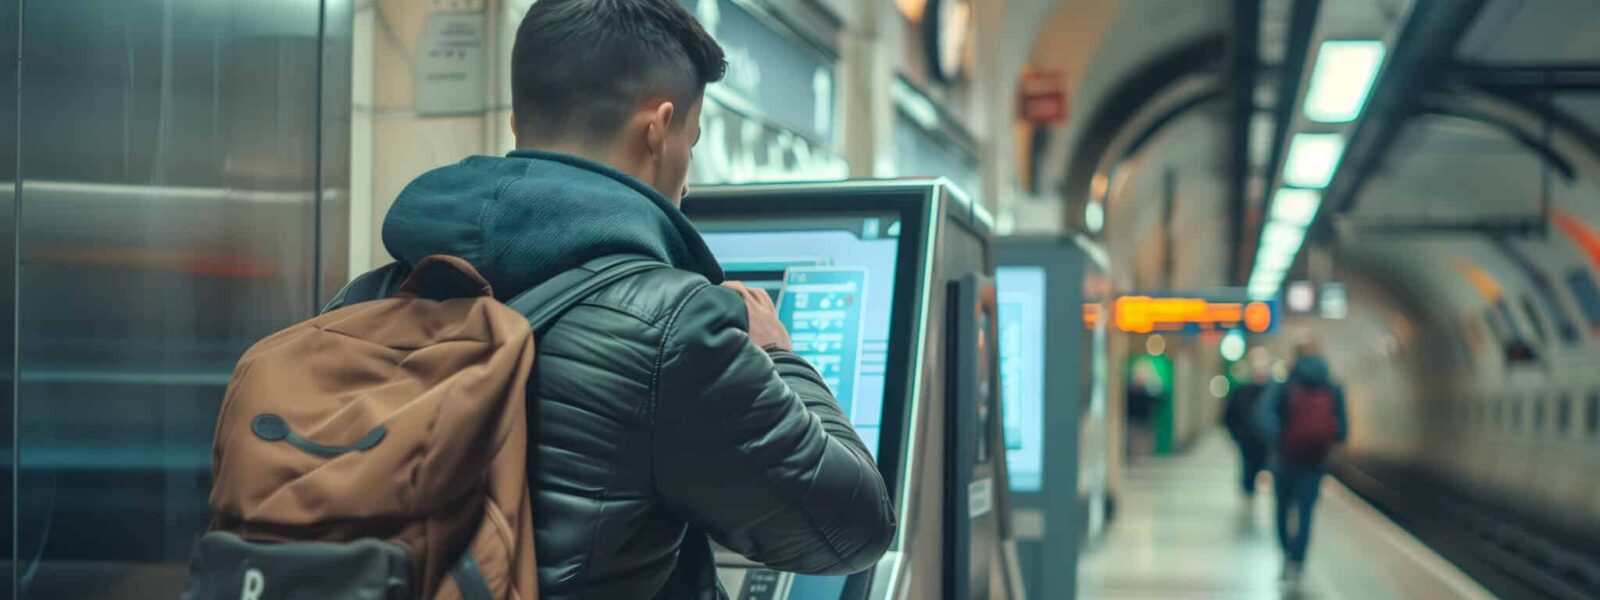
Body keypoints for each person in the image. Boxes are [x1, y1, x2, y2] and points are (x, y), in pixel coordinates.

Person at [373, 1, 895, 596]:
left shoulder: (374, 295)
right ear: (658, 128)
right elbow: (854, 527)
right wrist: (780, 356)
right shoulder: (672, 327)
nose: (687, 175)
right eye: (691, 143)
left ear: (518, 126)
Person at [1256, 346, 1347, 585]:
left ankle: (1286, 555)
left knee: (1282, 509)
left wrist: (1281, 437)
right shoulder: (1332, 388)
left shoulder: (1284, 384)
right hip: (1315, 461)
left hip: (1284, 458)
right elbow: (1342, 430)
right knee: (1306, 512)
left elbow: (1263, 415)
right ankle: (1298, 560)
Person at [1222, 354, 1271, 498]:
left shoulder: (1272, 391)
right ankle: (1248, 492)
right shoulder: (1241, 392)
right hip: (1247, 440)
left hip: (1265, 440)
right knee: (1248, 471)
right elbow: (1229, 415)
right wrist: (1237, 435)